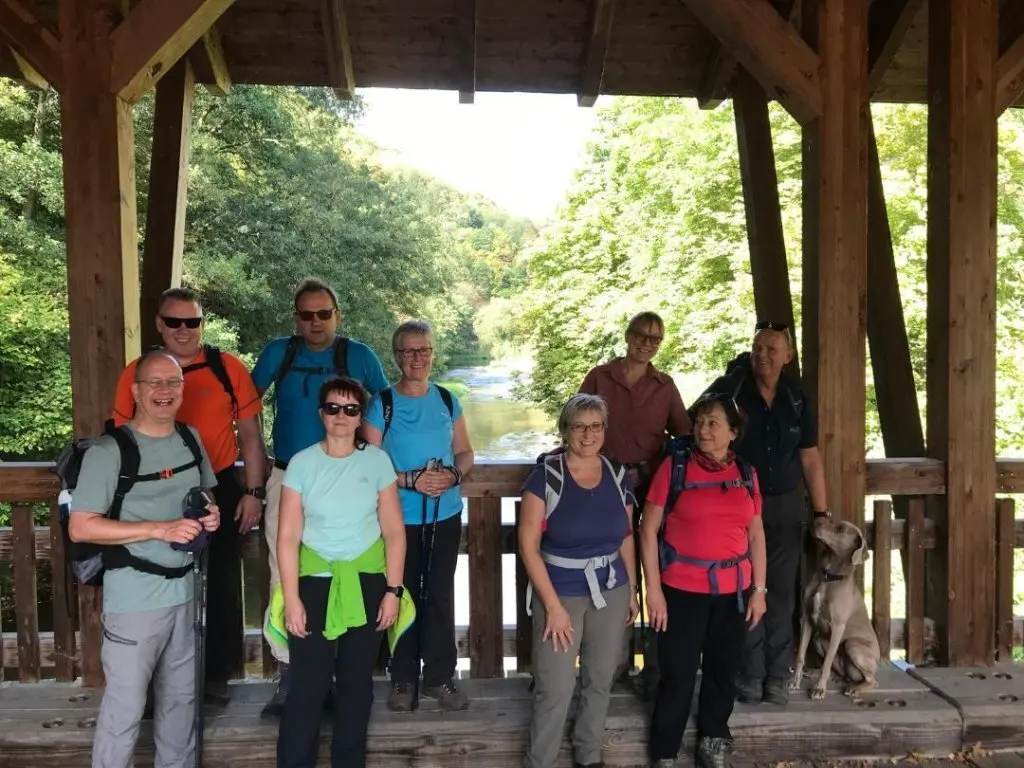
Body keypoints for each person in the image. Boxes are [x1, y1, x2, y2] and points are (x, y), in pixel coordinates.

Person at [111, 286, 264, 704]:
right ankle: (156, 679)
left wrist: (253, 491)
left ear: (202, 324)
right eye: (174, 321)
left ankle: (216, 676)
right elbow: (122, 437)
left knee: (221, 582)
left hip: (217, 485)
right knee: (154, 577)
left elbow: (250, 435)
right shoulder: (137, 372)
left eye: (191, 321)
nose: (183, 329)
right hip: (154, 487)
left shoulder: (227, 367)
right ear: (160, 324)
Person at [69, 350, 220, 768]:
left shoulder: (191, 439)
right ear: (135, 391)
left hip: (186, 591)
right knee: (125, 711)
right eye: (153, 382)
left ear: (182, 390)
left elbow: (203, 495)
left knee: (181, 706)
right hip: (134, 599)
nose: (163, 391)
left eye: (172, 382)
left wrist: (210, 513)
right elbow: (81, 527)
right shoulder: (109, 451)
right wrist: (160, 528)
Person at [251, 277, 390, 716]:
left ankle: (342, 670)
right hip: (288, 473)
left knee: (349, 565)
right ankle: (290, 673)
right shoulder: (280, 353)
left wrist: (373, 457)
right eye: (306, 314)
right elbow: (244, 408)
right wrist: (256, 472)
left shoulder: (359, 355)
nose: (315, 322)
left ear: (337, 314)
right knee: (284, 570)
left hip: (350, 480)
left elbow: (385, 406)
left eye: (323, 313)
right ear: (296, 317)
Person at [270, 376, 408, 768]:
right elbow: (288, 536)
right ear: (321, 413)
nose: (341, 416)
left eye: (350, 409)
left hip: (367, 582)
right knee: (307, 687)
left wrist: (392, 592)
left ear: (361, 415)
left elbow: (394, 532)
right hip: (313, 582)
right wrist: (291, 599)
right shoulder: (302, 463)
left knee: (355, 685)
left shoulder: (377, 461)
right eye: (333, 408)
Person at [702, 321, 830, 706]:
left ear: (787, 357)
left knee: (780, 590)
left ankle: (777, 675)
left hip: (786, 504)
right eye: (758, 348)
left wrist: (822, 512)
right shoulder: (731, 389)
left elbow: (809, 458)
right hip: (738, 502)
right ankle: (750, 672)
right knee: (744, 587)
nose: (763, 355)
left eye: (772, 349)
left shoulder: (796, 397)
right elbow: (699, 429)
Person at [639, 393, 767, 768]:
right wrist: (654, 591)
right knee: (676, 673)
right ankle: (665, 751)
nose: (703, 429)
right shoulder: (674, 468)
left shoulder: (746, 473)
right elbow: (648, 531)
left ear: (733, 432)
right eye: (700, 421)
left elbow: (756, 535)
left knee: (723, 669)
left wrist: (759, 590)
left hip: (735, 593)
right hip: (681, 591)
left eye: (713, 423)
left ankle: (713, 738)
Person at [518, 393, 639, 768]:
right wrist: (552, 607)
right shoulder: (546, 477)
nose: (588, 434)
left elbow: (627, 536)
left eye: (596, 426)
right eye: (579, 426)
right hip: (561, 592)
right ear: (565, 430)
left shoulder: (618, 476)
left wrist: (632, 590)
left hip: (611, 588)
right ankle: (540, 761)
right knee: (555, 688)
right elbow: (528, 545)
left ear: (605, 430)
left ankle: (589, 756)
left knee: (600, 680)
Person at [363, 320, 475, 712]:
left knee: (440, 596)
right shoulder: (382, 404)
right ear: (396, 357)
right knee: (401, 594)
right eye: (408, 351)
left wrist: (453, 475)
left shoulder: (447, 400)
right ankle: (403, 679)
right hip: (398, 521)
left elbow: (465, 452)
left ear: (432, 353)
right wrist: (410, 479)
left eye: (423, 350)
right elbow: (368, 465)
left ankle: (440, 679)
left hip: (444, 516)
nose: (417, 358)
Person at [579, 311, 691, 691]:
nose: (647, 342)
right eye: (641, 335)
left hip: (651, 486)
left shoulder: (664, 385)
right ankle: (613, 667)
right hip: (606, 484)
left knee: (656, 569)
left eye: (655, 338)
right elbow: (578, 421)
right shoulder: (600, 377)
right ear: (627, 336)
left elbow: (684, 434)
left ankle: (654, 670)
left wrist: (666, 471)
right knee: (613, 571)